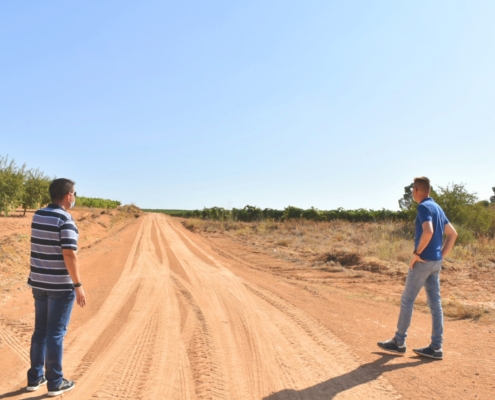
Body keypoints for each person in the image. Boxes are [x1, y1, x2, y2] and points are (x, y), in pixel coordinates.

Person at [377, 176, 457, 360]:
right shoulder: (437, 207)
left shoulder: (423, 207)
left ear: (416, 190)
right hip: (435, 263)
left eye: (413, 189)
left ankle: (398, 342)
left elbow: (428, 231)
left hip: (422, 263)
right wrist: (440, 255)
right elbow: (453, 234)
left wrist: (416, 254)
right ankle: (436, 347)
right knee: (435, 305)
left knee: (407, 300)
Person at [26, 178, 86, 396]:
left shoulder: (38, 215)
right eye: (75, 193)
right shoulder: (66, 220)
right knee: (55, 334)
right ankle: (55, 382)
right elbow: (69, 254)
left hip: (39, 282)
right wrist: (78, 285)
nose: (75, 197)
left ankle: (35, 378)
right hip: (60, 286)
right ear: (69, 195)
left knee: (40, 331)